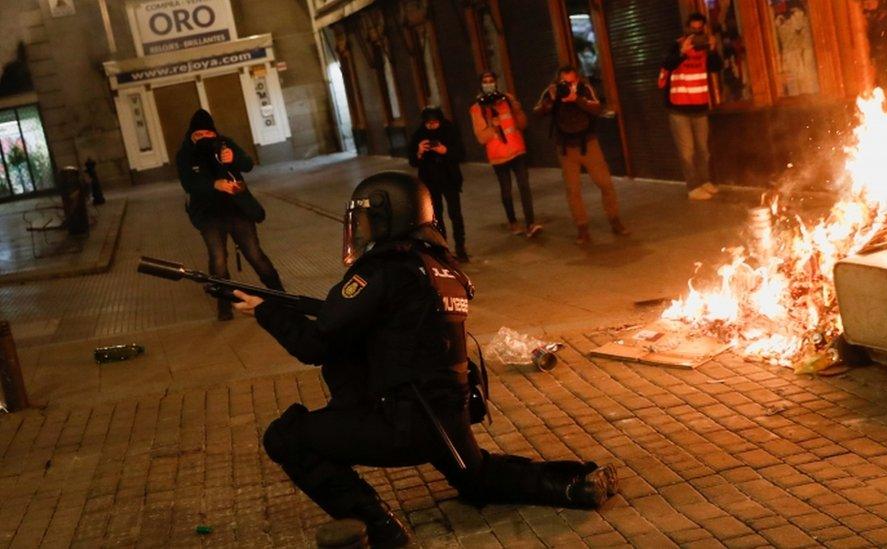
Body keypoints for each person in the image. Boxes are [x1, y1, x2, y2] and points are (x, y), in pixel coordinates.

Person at [231, 172, 618, 547]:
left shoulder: (384, 270)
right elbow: (391, 327)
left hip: (404, 422)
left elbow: (315, 344)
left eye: (366, 219)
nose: (361, 229)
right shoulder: (440, 266)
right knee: (477, 478)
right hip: (447, 418)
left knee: (287, 438)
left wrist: (266, 311)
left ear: (390, 216)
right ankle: (578, 483)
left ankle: (380, 529)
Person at [176, 109, 284, 320]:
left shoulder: (225, 144)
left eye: (209, 134)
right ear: (192, 135)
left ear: (214, 133)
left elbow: (248, 164)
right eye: (199, 135)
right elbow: (188, 182)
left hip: (237, 211)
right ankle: (224, 306)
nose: (205, 139)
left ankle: (281, 296)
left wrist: (234, 158)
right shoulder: (185, 154)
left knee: (255, 255)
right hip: (208, 215)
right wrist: (215, 184)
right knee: (218, 260)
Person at [533, 66, 629, 245]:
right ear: (558, 80)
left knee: (605, 184)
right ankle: (582, 228)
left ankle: (615, 220)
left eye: (571, 82)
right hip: (566, 148)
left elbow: (597, 108)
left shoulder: (585, 89)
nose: (567, 86)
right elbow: (537, 112)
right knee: (573, 190)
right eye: (564, 82)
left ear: (577, 80)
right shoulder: (552, 91)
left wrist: (577, 99)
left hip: (589, 144)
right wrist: (551, 101)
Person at [469, 71, 542, 237]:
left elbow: (522, 124)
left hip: (517, 150)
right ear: (481, 84)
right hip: (498, 155)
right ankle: (513, 222)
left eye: (491, 80)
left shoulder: (507, 99)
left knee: (524, 187)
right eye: (485, 81)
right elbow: (481, 138)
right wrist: (493, 126)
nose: (489, 84)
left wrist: (517, 110)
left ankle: (531, 223)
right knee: (506, 191)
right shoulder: (477, 108)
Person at [660, 13, 723, 201]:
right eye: (693, 28)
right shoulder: (677, 44)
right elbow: (666, 64)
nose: (696, 32)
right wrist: (682, 52)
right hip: (678, 109)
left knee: (703, 149)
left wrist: (712, 49)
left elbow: (716, 67)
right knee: (687, 151)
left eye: (700, 28)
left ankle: (704, 181)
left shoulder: (704, 48)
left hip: (699, 106)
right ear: (686, 28)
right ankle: (693, 187)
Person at [408, 107, 469, 262]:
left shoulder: (450, 131)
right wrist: (420, 152)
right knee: (436, 217)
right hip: (430, 181)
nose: (432, 126)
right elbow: (413, 162)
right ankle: (443, 250)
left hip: (450, 179)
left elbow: (461, 154)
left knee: (455, 214)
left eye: (435, 123)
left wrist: (445, 151)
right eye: (429, 124)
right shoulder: (419, 135)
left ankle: (461, 248)